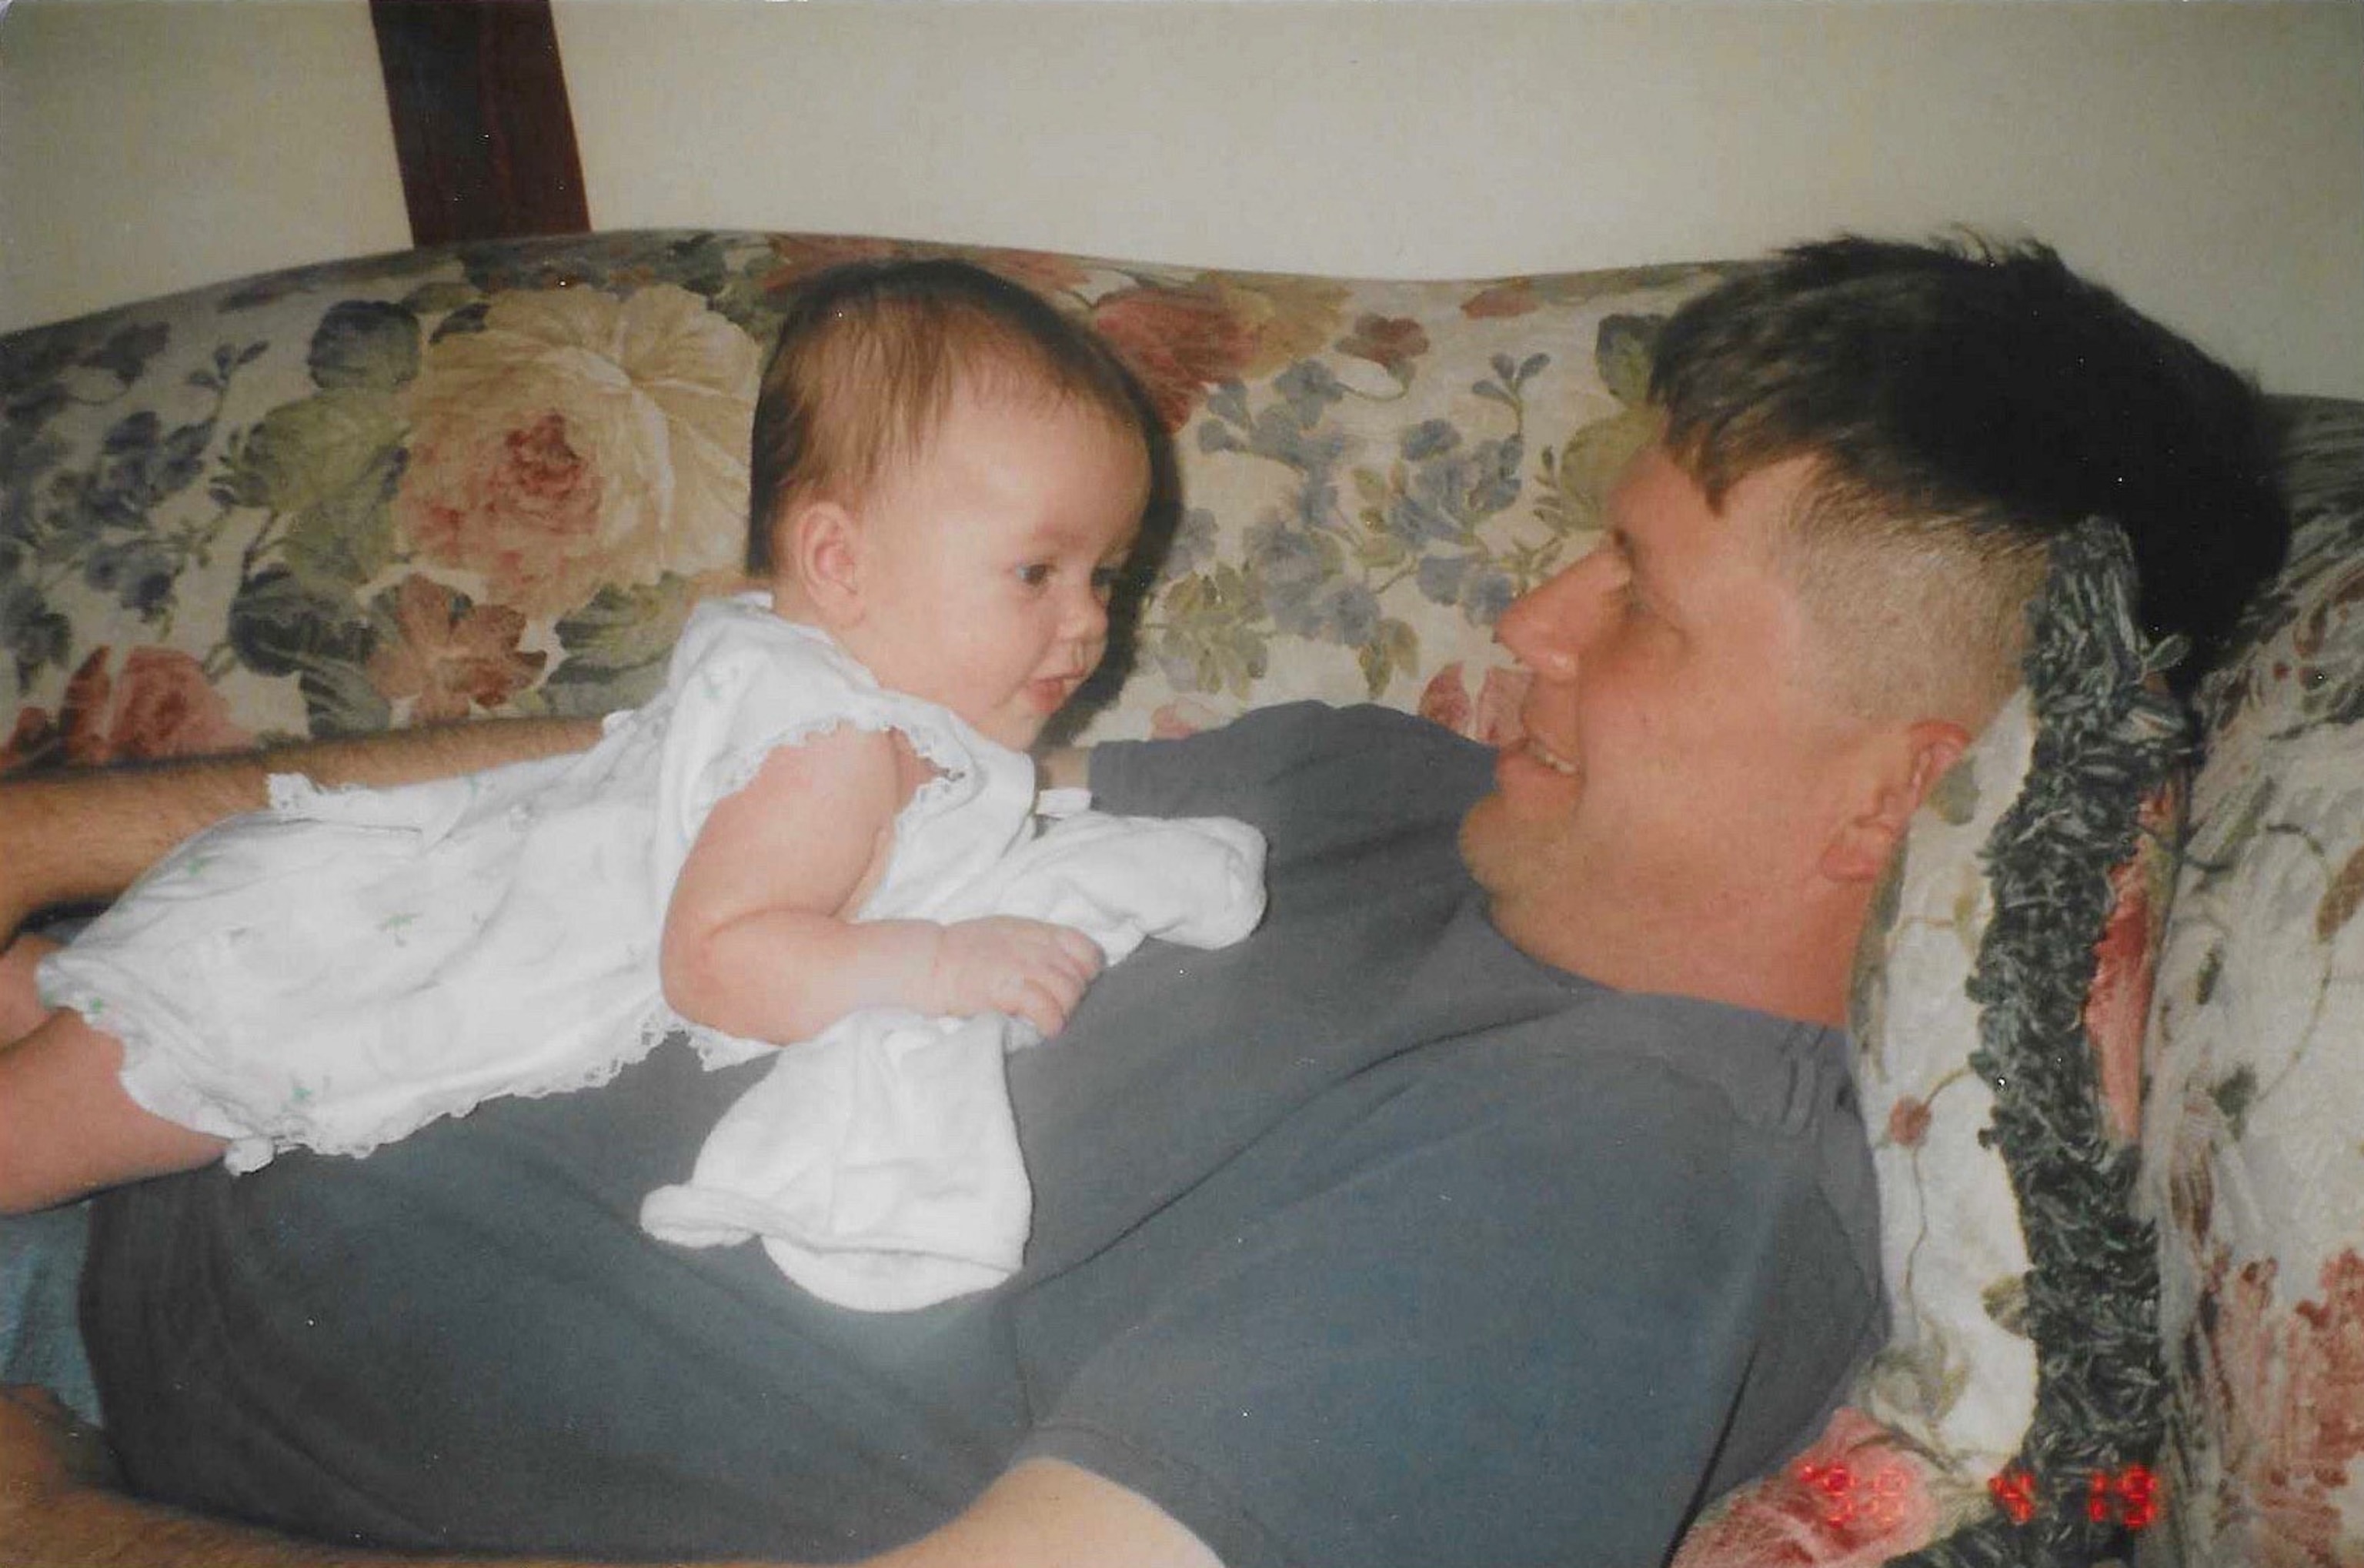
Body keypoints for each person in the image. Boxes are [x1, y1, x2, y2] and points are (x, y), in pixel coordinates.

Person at [0, 234, 2288, 1568]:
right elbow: (728, 770)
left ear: (1900, 794)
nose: (1534, 609)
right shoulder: (1397, 788)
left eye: (1648, 602)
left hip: (100, 1344)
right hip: (170, 1042)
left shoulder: (1614, 1192)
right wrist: (49, 836)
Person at [0, 257, 1267, 1311]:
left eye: (1106, 574)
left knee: (82, 1005)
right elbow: (717, 961)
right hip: (308, 990)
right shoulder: (839, 746)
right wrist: (938, 962)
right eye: (1037, 572)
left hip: (328, 919)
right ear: (838, 558)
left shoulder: (808, 673)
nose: (1091, 622)